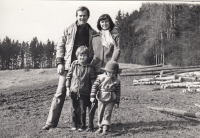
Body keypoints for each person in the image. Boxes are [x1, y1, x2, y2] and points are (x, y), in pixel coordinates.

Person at [42, 6, 96, 130]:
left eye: (84, 15)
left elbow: (93, 51)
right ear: (76, 16)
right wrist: (59, 63)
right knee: (60, 94)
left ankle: (85, 125)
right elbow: (60, 46)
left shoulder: (92, 32)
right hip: (68, 68)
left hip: (84, 69)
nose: (82, 17)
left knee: (84, 96)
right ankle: (51, 123)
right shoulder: (68, 30)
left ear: (88, 17)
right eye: (80, 15)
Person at [87, 14, 120, 131]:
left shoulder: (114, 36)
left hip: (109, 71)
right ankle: (91, 124)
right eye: (102, 22)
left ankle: (105, 124)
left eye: (106, 22)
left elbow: (117, 50)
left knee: (108, 97)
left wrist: (111, 64)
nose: (104, 24)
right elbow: (90, 53)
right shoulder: (95, 37)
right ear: (99, 24)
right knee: (93, 96)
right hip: (95, 70)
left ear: (109, 23)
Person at [66, 46, 96, 132]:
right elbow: (68, 77)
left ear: (87, 57)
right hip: (73, 91)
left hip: (84, 92)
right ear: (77, 56)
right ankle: (74, 124)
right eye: (80, 55)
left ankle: (82, 126)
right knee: (74, 109)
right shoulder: (74, 65)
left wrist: (92, 92)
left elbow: (93, 81)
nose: (82, 57)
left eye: (84, 55)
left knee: (82, 110)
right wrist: (68, 88)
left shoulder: (89, 68)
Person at [90, 60, 121, 135]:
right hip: (101, 98)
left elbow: (118, 92)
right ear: (106, 71)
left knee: (107, 113)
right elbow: (94, 86)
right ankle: (100, 127)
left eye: (114, 73)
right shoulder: (100, 78)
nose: (111, 74)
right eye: (110, 72)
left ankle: (105, 128)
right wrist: (92, 96)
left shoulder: (117, 81)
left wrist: (117, 102)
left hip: (111, 99)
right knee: (100, 113)